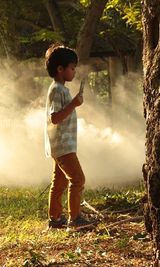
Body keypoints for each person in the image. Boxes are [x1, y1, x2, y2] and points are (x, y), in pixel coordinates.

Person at [44, 44, 95, 231]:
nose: (74, 72)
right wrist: (74, 104)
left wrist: (73, 103)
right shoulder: (57, 90)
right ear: (60, 69)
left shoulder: (61, 89)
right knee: (78, 179)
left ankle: (55, 219)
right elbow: (55, 117)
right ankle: (75, 219)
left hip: (62, 145)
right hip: (62, 145)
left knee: (59, 182)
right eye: (72, 68)